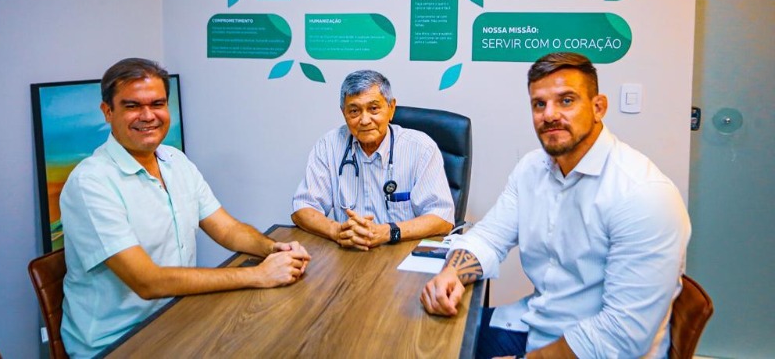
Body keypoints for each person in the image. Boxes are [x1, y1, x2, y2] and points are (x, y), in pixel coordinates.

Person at [421, 52, 691, 358]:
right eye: (539, 104)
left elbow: (620, 338)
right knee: (423, 335)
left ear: (598, 107)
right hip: (535, 324)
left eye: (566, 100)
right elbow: (489, 237)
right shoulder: (532, 168)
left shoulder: (644, 194)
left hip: (595, 349)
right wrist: (452, 273)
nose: (549, 115)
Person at [59, 58, 311, 358]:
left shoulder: (174, 160)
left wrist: (273, 250)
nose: (148, 116)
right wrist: (259, 275)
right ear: (107, 111)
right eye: (132, 106)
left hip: (179, 315)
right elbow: (147, 282)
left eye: (157, 104)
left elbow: (227, 229)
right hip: (118, 342)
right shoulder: (91, 183)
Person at [291, 69, 455, 250]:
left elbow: (442, 218)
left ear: (391, 108)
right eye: (354, 111)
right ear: (343, 112)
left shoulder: (421, 148)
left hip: (402, 253)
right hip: (348, 252)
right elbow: (302, 208)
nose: (364, 120)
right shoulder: (328, 145)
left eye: (374, 109)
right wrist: (337, 231)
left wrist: (388, 232)